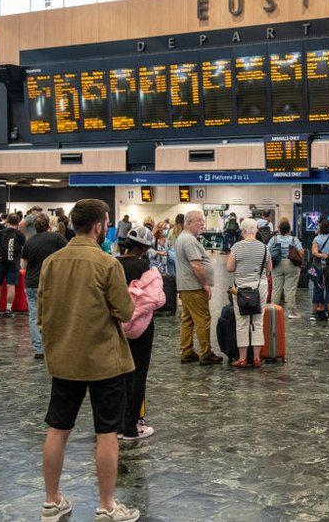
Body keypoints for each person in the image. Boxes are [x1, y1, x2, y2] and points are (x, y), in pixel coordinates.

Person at [37, 198, 140, 522]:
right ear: (99, 226)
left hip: (64, 359)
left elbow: (42, 313)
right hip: (103, 362)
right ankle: (107, 506)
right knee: (107, 432)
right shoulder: (108, 264)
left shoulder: (52, 262)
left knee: (58, 429)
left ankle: (52, 501)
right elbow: (125, 311)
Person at [117, 226, 165, 440]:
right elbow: (156, 298)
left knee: (119, 374)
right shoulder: (146, 267)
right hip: (142, 327)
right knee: (138, 374)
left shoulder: (113, 265)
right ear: (145, 248)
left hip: (116, 326)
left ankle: (117, 424)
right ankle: (132, 426)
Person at [175, 210, 220, 365]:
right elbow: (196, 264)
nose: (202, 223)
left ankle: (186, 351)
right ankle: (205, 353)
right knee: (203, 319)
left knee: (187, 319)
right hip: (194, 287)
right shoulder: (189, 240)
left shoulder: (184, 238)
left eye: (202, 220)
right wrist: (205, 284)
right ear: (188, 223)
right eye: (198, 221)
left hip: (186, 286)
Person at [226, 219, 273, 368]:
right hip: (260, 286)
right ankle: (257, 358)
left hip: (241, 287)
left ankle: (243, 358)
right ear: (256, 230)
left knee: (242, 322)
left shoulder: (236, 247)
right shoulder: (265, 248)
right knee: (258, 321)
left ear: (243, 231)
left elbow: (230, 268)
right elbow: (269, 269)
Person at [23, 214, 68, 359]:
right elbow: (69, 252)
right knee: (54, 314)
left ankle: (38, 349)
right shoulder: (56, 238)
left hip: (31, 283)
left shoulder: (29, 242)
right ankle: (55, 346)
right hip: (50, 282)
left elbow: (23, 265)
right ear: (48, 224)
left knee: (33, 317)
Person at [0, 213, 27, 319]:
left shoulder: (0, 233)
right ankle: (8, 309)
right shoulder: (20, 235)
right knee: (10, 286)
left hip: (0, 262)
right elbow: (25, 249)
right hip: (14, 263)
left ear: (7, 221)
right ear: (18, 222)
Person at [268, 218, 303, 319]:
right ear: (289, 229)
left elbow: (267, 251)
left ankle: (273, 310)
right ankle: (291, 312)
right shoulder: (293, 239)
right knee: (290, 289)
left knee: (276, 288)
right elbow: (301, 252)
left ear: (279, 229)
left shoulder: (274, 239)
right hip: (290, 264)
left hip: (277, 264)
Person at [310, 220, 329, 321]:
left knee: (317, 290)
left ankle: (314, 314)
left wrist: (322, 255)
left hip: (319, 269)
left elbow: (314, 252)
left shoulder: (317, 238)